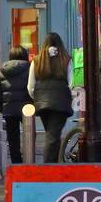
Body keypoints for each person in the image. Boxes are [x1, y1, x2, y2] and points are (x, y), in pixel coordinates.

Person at [29, 33, 73, 163]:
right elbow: (71, 83)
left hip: (42, 102)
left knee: (52, 134)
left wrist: (36, 98)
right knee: (53, 135)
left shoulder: (37, 60)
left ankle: (55, 163)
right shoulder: (66, 59)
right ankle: (48, 167)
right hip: (60, 102)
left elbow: (30, 85)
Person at [0, 45, 32, 164]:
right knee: (29, 136)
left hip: (9, 109)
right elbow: (34, 88)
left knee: (13, 139)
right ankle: (30, 161)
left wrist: (3, 109)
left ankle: (17, 164)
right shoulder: (30, 69)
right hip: (27, 109)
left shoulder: (2, 71)